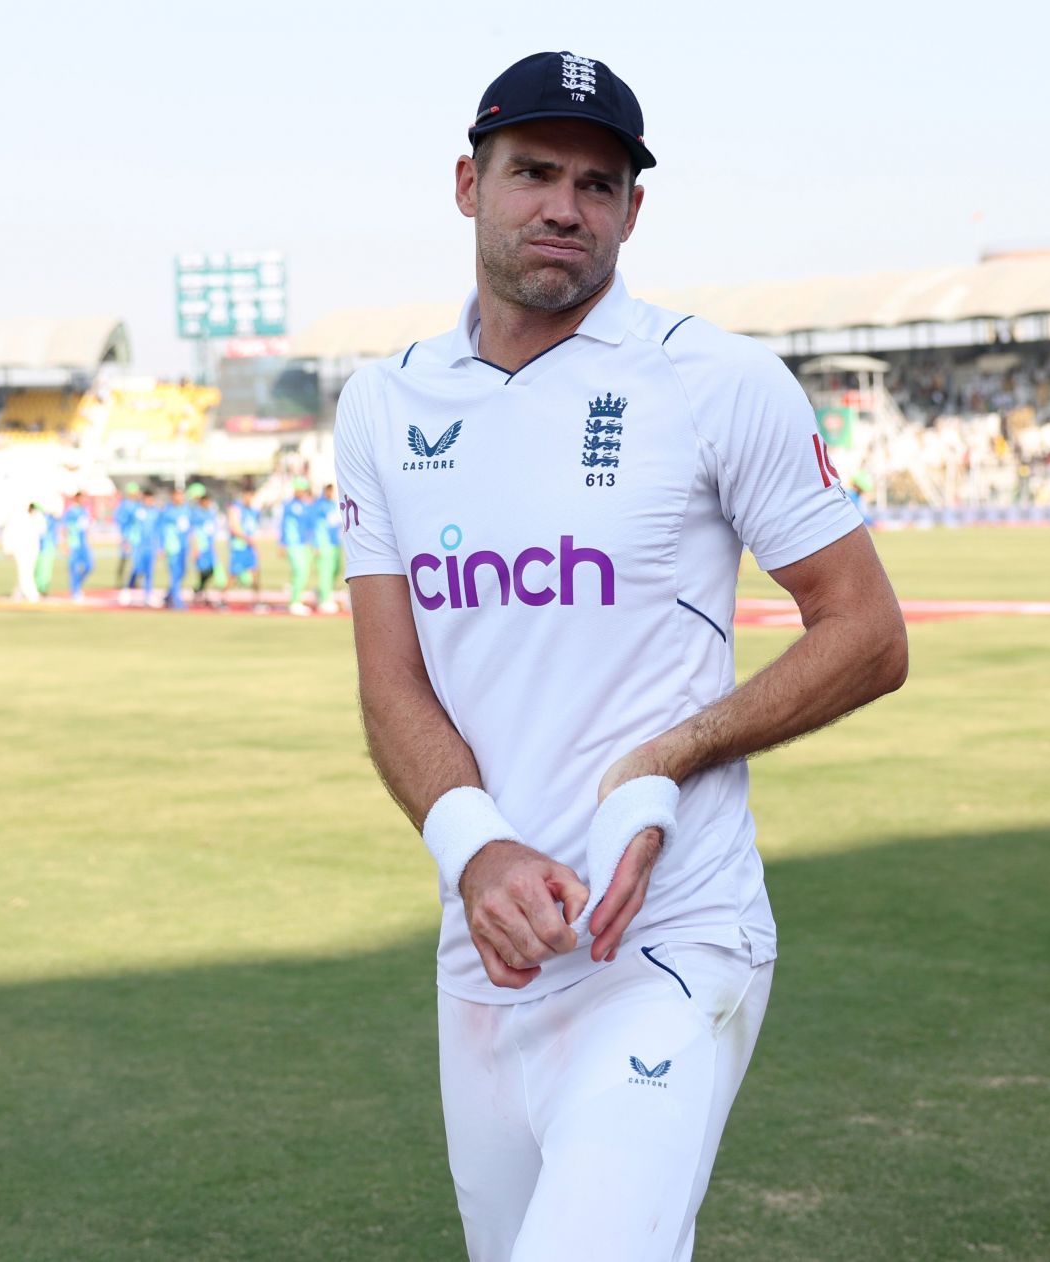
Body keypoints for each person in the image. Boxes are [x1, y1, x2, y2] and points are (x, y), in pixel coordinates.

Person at [335, 51, 908, 1262]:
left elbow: (866, 628)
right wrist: (474, 847)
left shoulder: (718, 381)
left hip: (671, 937)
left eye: (599, 185)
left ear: (634, 211)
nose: (564, 205)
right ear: (467, 184)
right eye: (533, 171)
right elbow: (393, 682)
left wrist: (667, 755)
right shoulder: (385, 405)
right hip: (488, 946)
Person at [279, 477, 317, 615]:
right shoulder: (289, 505)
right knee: (300, 570)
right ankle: (294, 602)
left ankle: (296, 597)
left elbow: (310, 526)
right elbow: (283, 525)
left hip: (304, 544)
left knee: (304, 572)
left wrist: (313, 543)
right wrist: (282, 543)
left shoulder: (307, 505)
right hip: (292, 543)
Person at [226, 483, 266, 611]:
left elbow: (253, 529)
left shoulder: (252, 511)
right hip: (239, 547)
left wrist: (255, 546)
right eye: (248, 496)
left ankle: (257, 601)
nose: (250, 499)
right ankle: (224, 599)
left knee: (255, 573)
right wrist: (247, 539)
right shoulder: (236, 509)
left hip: (249, 547)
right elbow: (234, 528)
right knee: (233, 575)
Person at [119, 486, 160, 607]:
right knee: (136, 569)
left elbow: (158, 530)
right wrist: (127, 541)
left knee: (149, 571)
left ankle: (148, 595)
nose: (149, 501)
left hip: (150, 546)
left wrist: (159, 546)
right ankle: (127, 590)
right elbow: (127, 526)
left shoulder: (155, 512)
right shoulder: (136, 511)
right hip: (138, 545)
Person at [186, 483, 224, 606]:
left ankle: (199, 589)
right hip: (201, 548)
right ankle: (201, 592)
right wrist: (195, 547)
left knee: (212, 571)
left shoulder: (210, 512)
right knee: (204, 571)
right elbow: (194, 532)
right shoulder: (196, 513)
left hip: (209, 548)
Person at [1, 502, 44, 603]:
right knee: (25, 573)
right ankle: (33, 597)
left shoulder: (37, 518)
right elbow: (8, 533)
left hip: (33, 549)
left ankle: (17, 594)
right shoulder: (18, 519)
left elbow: (42, 530)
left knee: (27, 572)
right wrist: (7, 549)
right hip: (21, 549)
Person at [312, 481, 344, 614]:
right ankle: (324, 600)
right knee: (326, 571)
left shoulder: (333, 504)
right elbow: (314, 525)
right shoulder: (319, 505)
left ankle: (322, 591)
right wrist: (316, 544)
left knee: (336, 570)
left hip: (334, 542)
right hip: (324, 543)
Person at [159, 483, 192, 609]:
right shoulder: (167, 511)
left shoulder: (186, 510)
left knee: (182, 572)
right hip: (173, 547)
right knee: (175, 572)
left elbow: (190, 529)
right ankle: (176, 601)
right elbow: (161, 529)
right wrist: (161, 546)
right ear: (173, 496)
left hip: (184, 546)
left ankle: (169, 595)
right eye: (177, 495)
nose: (180, 498)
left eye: (182, 496)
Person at [62, 492, 94, 600]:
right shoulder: (71, 511)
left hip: (83, 542)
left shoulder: (84, 510)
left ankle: (77, 586)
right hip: (74, 542)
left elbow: (86, 527)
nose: (84, 500)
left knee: (89, 566)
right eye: (82, 498)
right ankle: (75, 590)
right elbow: (65, 528)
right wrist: (66, 544)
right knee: (74, 568)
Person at [113, 481, 142, 588]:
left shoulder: (139, 505)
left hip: (138, 537)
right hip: (128, 536)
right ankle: (119, 581)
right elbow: (121, 521)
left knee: (137, 560)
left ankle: (134, 581)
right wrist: (125, 538)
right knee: (124, 559)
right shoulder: (125, 505)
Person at [33, 500, 61, 596]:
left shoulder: (48, 518)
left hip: (47, 546)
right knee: (40, 568)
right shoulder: (41, 518)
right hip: (42, 546)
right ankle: (39, 587)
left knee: (44, 569)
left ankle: (42, 588)